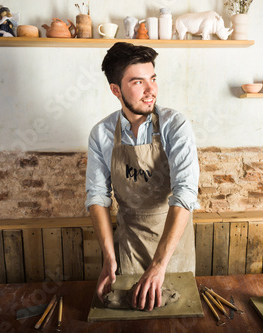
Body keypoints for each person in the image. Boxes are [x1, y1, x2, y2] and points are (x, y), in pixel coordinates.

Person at [85, 42, 199, 311]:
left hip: (172, 245)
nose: (151, 91)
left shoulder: (175, 125)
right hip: (129, 244)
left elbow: (185, 193)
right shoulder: (101, 134)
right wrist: (109, 259)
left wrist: (159, 266)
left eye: (153, 79)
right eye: (138, 82)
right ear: (116, 89)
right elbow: (97, 197)